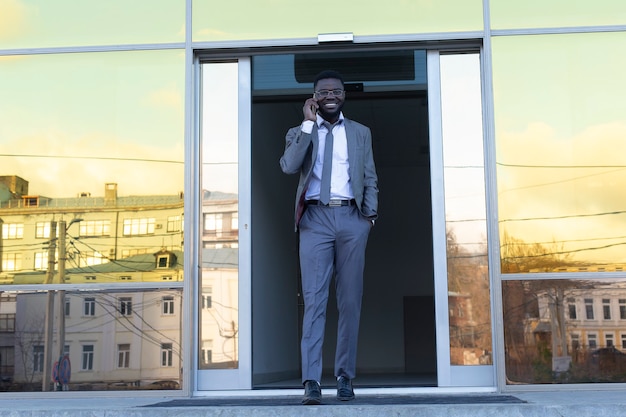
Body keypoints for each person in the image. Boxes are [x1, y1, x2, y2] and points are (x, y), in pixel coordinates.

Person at [279, 70, 378, 405]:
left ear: (344, 95)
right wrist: (308, 124)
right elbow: (289, 166)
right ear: (314, 97)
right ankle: (311, 381)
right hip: (315, 220)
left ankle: (344, 377)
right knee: (314, 300)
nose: (330, 96)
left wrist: (369, 217)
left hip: (352, 217)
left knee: (350, 300)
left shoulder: (360, 132)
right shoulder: (300, 132)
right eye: (323, 92)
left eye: (336, 90)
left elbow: (370, 176)